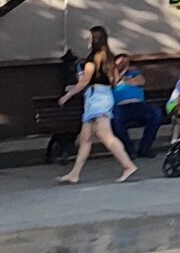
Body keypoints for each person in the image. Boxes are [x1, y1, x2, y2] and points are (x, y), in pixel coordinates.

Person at [57, 25, 138, 186]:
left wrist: (68, 94)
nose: (87, 39)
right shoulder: (109, 57)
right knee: (85, 138)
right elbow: (115, 81)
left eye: (89, 36)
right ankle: (74, 174)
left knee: (105, 135)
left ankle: (128, 165)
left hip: (95, 98)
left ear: (94, 39)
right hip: (104, 95)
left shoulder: (92, 59)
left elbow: (84, 81)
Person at [110, 57, 163, 159]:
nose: (124, 63)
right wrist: (119, 72)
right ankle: (129, 148)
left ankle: (145, 148)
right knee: (114, 120)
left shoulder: (134, 73)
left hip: (138, 104)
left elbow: (140, 81)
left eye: (126, 62)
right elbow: (113, 82)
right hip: (120, 106)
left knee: (156, 114)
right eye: (121, 62)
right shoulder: (111, 76)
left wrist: (125, 79)